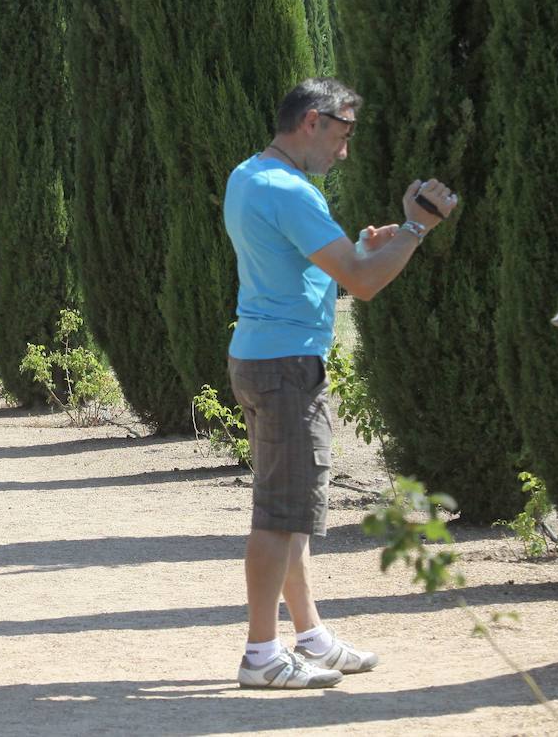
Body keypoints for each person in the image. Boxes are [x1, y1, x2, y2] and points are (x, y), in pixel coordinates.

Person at [224, 78, 457, 689]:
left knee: (292, 510)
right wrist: (415, 230)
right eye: (343, 136)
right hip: (286, 367)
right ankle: (260, 656)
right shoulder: (292, 191)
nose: (345, 151)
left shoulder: (249, 176)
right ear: (311, 122)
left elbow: (309, 267)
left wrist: (360, 246)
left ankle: (311, 638)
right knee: (279, 516)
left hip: (260, 357)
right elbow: (363, 283)